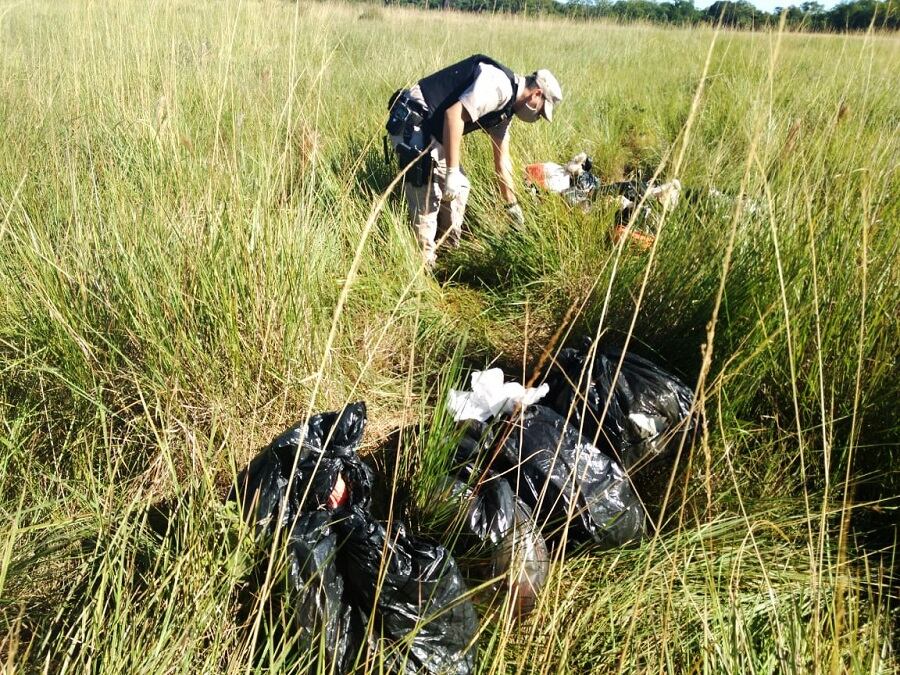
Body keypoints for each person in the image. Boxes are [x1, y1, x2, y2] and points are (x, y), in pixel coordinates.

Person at [386, 54, 562, 267]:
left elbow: (502, 161)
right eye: (541, 112)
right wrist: (451, 171)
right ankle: (423, 270)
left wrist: (512, 207)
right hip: (415, 122)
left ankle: (448, 256)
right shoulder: (499, 86)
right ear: (536, 94)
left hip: (436, 131)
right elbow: (453, 116)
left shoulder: (506, 111)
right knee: (428, 198)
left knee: (460, 188)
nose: (537, 119)